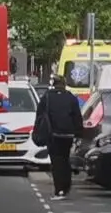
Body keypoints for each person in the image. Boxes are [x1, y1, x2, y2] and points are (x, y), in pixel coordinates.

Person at [32, 70, 84, 198]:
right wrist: (78, 133)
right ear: (64, 84)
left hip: (53, 134)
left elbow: (40, 116)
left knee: (56, 162)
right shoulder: (71, 98)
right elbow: (77, 117)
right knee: (65, 159)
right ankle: (66, 187)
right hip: (68, 135)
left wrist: (38, 131)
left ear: (53, 84)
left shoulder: (47, 97)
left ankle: (59, 189)